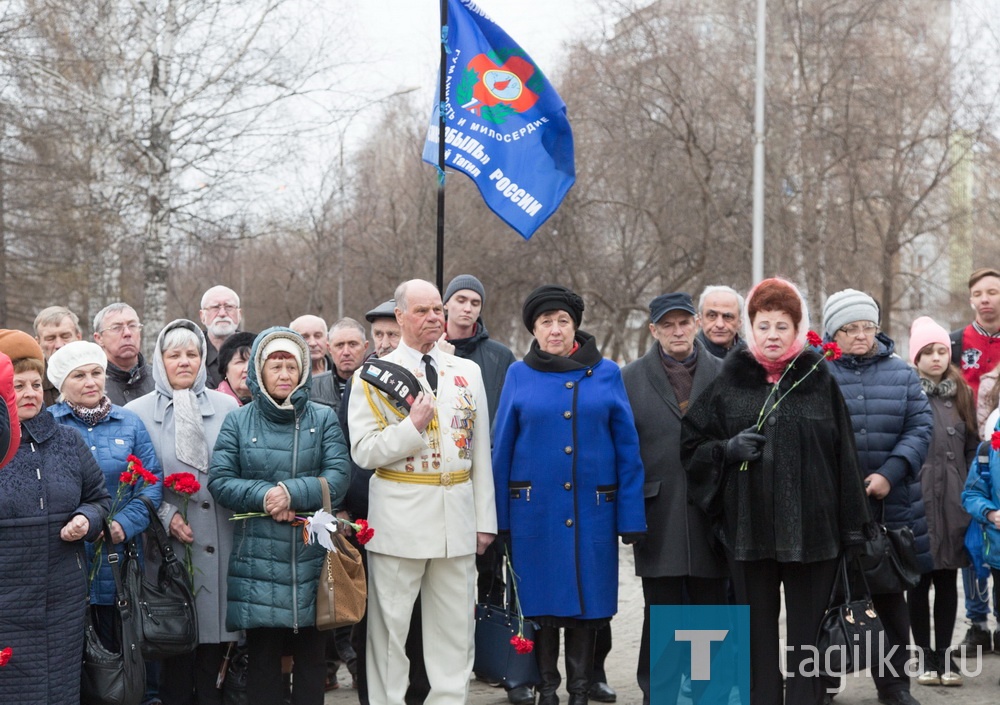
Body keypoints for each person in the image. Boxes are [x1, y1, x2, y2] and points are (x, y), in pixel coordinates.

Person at [682, 277, 870, 705]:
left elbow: (845, 458)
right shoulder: (730, 382)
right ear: (750, 329)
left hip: (813, 535)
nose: (772, 336)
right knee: (757, 635)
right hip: (749, 535)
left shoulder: (819, 379)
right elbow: (691, 446)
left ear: (798, 328)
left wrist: (853, 529)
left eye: (782, 326)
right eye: (763, 325)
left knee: (806, 638)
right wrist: (726, 450)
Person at [492, 284, 645, 705]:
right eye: (546, 322)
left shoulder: (608, 372)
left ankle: (579, 691)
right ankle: (547, 689)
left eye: (563, 321)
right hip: (533, 515)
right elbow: (501, 448)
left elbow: (627, 449)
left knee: (587, 608)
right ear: (534, 329)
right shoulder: (518, 375)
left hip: (593, 511)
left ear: (575, 325)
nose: (555, 329)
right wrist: (498, 520)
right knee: (541, 608)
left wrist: (631, 517)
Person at [347, 279, 497, 705]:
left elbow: (479, 452)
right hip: (400, 519)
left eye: (437, 310)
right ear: (399, 316)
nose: (434, 318)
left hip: (457, 520)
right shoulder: (372, 377)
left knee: (455, 631)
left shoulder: (467, 372)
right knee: (390, 633)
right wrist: (411, 428)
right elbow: (364, 452)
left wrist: (484, 519)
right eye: (422, 311)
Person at [208, 327, 351, 705]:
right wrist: (266, 496)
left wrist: (292, 493)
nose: (285, 374)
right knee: (264, 665)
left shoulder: (322, 418)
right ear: (259, 370)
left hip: (311, 557)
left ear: (303, 370)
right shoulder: (239, 421)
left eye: (292, 365)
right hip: (258, 560)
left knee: (311, 662)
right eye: (276, 366)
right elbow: (221, 481)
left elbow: (337, 477)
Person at [823, 288, 932, 705]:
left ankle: (894, 686)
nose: (861, 336)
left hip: (891, 504)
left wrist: (891, 472)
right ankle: (825, 681)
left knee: (889, 597)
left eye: (868, 327)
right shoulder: (818, 373)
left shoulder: (902, 373)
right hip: (833, 506)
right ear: (834, 332)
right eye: (850, 329)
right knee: (831, 596)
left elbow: (920, 427)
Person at [125, 319, 241, 705]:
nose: (184, 362)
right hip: (166, 550)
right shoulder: (136, 412)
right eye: (174, 355)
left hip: (221, 538)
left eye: (192, 354)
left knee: (213, 656)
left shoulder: (227, 406)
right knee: (174, 651)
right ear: (160, 360)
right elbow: (132, 479)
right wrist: (165, 515)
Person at [622, 292, 727, 705]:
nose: (677, 331)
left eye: (684, 322)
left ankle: (710, 693)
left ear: (697, 324)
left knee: (710, 607)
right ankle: (660, 694)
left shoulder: (724, 373)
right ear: (654, 330)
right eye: (668, 324)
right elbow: (622, 452)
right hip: (657, 511)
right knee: (661, 609)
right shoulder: (629, 378)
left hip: (711, 509)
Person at [47, 339, 163, 705]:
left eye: (96, 372)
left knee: (120, 653)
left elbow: (152, 483)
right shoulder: (48, 425)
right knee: (72, 658)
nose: (90, 381)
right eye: (79, 375)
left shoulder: (129, 422)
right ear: (61, 383)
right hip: (67, 558)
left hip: (119, 558)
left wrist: (122, 525)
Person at [0, 330, 110, 705]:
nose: (30, 392)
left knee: (61, 689)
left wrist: (87, 519)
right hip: (8, 600)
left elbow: (99, 498)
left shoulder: (67, 440)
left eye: (36, 383)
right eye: (18, 384)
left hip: (63, 597)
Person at [905, 316, 976, 688]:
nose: (935, 358)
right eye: (927, 352)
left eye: (941, 351)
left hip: (952, 498)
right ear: (915, 357)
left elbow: (970, 446)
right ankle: (925, 657)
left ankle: (946, 655)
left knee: (948, 579)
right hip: (917, 496)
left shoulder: (961, 392)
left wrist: (966, 488)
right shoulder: (907, 391)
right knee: (918, 581)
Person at [950, 267, 1000, 651]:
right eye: (978, 294)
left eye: (993, 292)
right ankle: (977, 622)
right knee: (972, 537)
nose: (986, 299)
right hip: (966, 450)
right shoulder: (953, 344)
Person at [93, 303, 155, 405]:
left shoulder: (160, 380)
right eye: (116, 328)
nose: (127, 333)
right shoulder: (91, 386)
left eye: (132, 326)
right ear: (99, 338)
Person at [33, 305, 84, 406]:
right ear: (38, 343)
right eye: (50, 338)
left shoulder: (99, 375)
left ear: (78, 337)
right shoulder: (31, 385)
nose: (59, 345)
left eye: (65, 336)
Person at [200, 285, 243, 389]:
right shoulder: (191, 354)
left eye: (229, 307)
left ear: (239, 314)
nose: (222, 313)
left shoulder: (255, 352)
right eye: (215, 307)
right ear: (202, 316)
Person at [696, 285, 744, 358]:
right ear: (700, 320)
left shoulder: (753, 359)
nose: (720, 324)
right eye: (712, 316)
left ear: (739, 322)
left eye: (727, 316)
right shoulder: (688, 358)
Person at [214, 331, 256, 406]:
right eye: (240, 362)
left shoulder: (274, 406)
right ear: (225, 370)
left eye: (253, 361)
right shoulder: (213, 403)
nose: (247, 369)